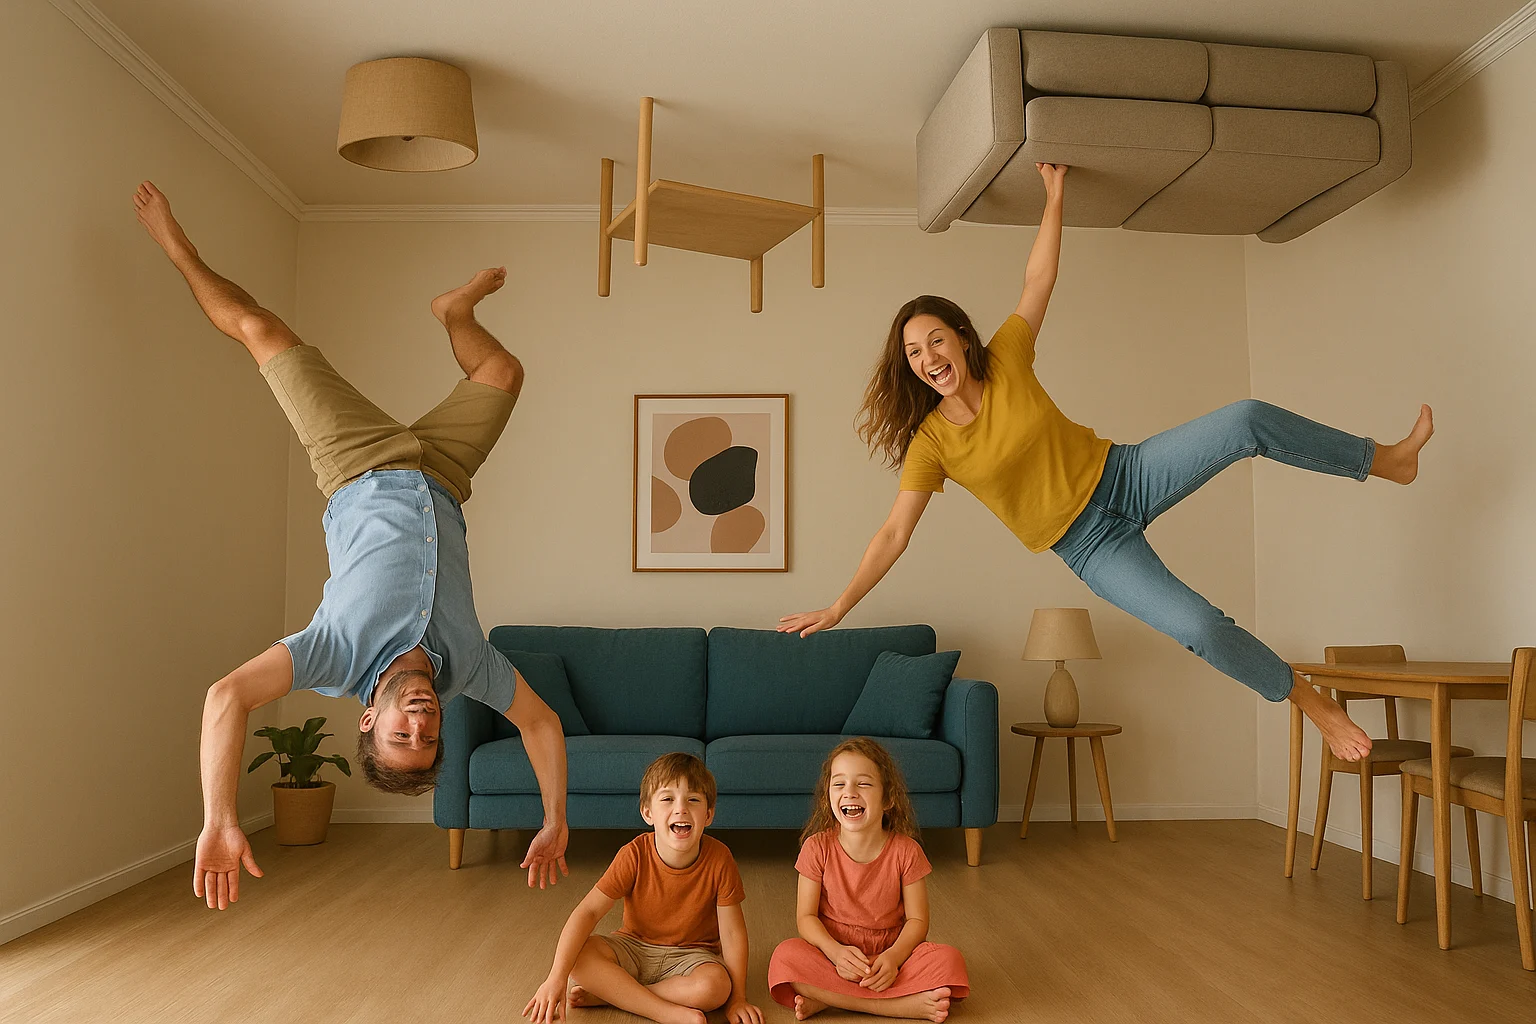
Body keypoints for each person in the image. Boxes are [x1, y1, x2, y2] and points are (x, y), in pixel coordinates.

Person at [778, 163, 1435, 764]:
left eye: (935, 340)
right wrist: (839, 606)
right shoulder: (931, 443)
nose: (928, 357)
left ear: (960, 336)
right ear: (911, 368)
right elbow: (894, 534)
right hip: (1090, 546)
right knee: (1199, 626)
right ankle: (1308, 701)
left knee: (1245, 418)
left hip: (1126, 472)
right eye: (915, 352)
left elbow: (1039, 279)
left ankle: (1385, 460)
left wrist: (1055, 196)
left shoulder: (1005, 356)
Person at [133, 181, 569, 910]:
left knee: (259, 330)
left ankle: (179, 249)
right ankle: (453, 313)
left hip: (358, 462)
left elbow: (226, 697)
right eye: (428, 736)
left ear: (368, 720)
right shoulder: (469, 668)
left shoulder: (333, 655)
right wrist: (556, 819)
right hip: (442, 474)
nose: (423, 723)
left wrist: (218, 818)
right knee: (502, 374)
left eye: (402, 735)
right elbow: (541, 723)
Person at [523, 754, 763, 1024]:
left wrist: (738, 998)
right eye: (668, 799)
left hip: (692, 956)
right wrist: (555, 977)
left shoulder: (720, 858)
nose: (681, 808)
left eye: (693, 799)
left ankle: (615, 995)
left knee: (716, 987)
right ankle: (665, 1012)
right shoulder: (634, 854)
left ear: (708, 814)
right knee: (577, 959)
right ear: (647, 812)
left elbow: (732, 932)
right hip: (633, 947)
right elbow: (588, 912)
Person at [768, 738, 967, 1022]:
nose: (849, 792)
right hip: (835, 956)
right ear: (828, 797)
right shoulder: (817, 847)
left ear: (888, 799)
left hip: (890, 954)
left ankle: (828, 999)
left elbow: (918, 921)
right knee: (785, 956)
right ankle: (900, 1006)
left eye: (863, 784)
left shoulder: (906, 851)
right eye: (839, 784)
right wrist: (836, 954)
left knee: (949, 961)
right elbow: (806, 918)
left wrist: (894, 958)